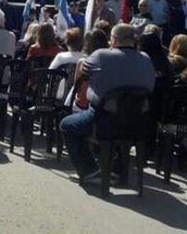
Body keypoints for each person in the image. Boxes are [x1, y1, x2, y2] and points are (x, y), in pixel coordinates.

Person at [60, 24, 155, 184]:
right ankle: (116, 170)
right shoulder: (146, 59)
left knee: (67, 125)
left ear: (114, 40)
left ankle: (89, 171)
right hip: (138, 123)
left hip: (104, 119)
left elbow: (83, 72)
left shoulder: (101, 55)